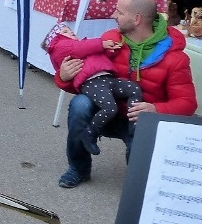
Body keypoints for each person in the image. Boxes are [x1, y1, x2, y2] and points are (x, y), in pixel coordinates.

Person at [55, 0, 197, 188]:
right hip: (106, 113)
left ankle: (141, 174)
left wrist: (156, 109)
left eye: (119, 12)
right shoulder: (110, 39)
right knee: (80, 104)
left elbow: (188, 104)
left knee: (139, 184)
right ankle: (78, 168)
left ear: (137, 19)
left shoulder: (176, 58)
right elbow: (90, 81)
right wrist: (64, 78)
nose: (113, 15)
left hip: (141, 120)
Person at [43, 22, 143, 156]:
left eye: (70, 30)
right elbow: (80, 48)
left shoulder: (84, 47)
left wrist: (110, 50)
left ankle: (133, 125)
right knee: (109, 108)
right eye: (65, 32)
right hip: (92, 82)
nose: (71, 32)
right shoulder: (61, 47)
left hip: (108, 78)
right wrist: (102, 44)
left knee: (133, 89)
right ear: (55, 40)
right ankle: (90, 132)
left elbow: (99, 56)